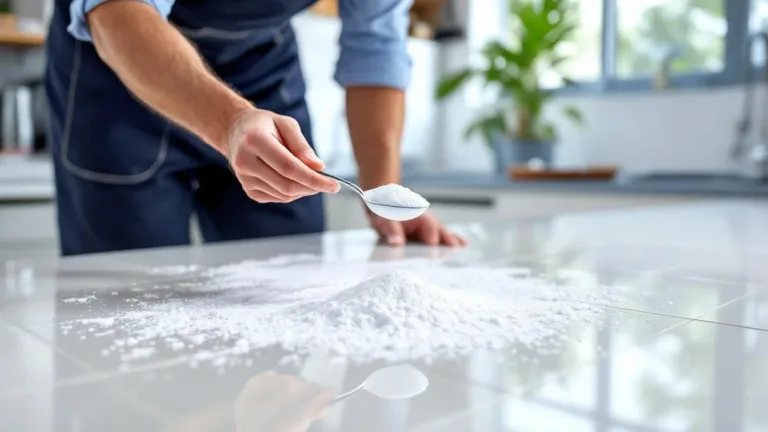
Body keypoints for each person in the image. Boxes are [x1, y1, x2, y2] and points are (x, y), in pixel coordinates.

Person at [45, 0, 467, 257]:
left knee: (286, 284)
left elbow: (376, 44)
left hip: (261, 68)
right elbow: (118, 8)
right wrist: (229, 122)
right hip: (122, 68)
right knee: (129, 300)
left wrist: (383, 195)